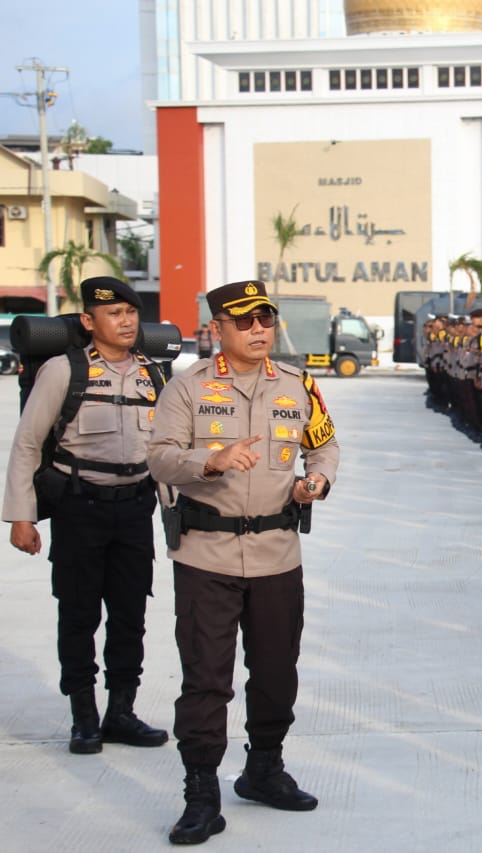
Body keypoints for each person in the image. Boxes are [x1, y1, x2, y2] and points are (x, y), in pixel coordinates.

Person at [148, 281, 340, 845]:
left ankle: (264, 769)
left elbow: (324, 444)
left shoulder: (298, 385)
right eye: (246, 322)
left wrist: (318, 481)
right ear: (219, 329)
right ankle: (201, 791)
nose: (259, 331)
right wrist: (212, 460)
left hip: (278, 555)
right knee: (207, 678)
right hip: (206, 557)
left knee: (278, 670)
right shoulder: (186, 390)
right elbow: (159, 458)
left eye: (265, 320)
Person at [2, 277, 169, 756]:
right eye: (113, 313)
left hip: (136, 506)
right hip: (80, 506)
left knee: (129, 614)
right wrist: (21, 516)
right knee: (78, 614)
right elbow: (28, 444)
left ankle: (121, 712)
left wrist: (179, 519)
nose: (125, 321)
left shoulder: (154, 375)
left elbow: (167, 450)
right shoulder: (63, 370)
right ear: (88, 322)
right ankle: (84, 717)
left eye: (131, 312)